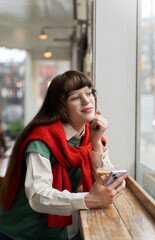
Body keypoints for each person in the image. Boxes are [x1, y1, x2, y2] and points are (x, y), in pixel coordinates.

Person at [0, 70, 128, 240]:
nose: (86, 99)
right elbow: (38, 196)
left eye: (89, 92)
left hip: (56, 233)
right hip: (19, 233)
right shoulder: (42, 139)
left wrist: (96, 143)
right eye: (75, 97)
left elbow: (99, 180)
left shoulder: (88, 136)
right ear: (60, 106)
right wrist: (90, 199)